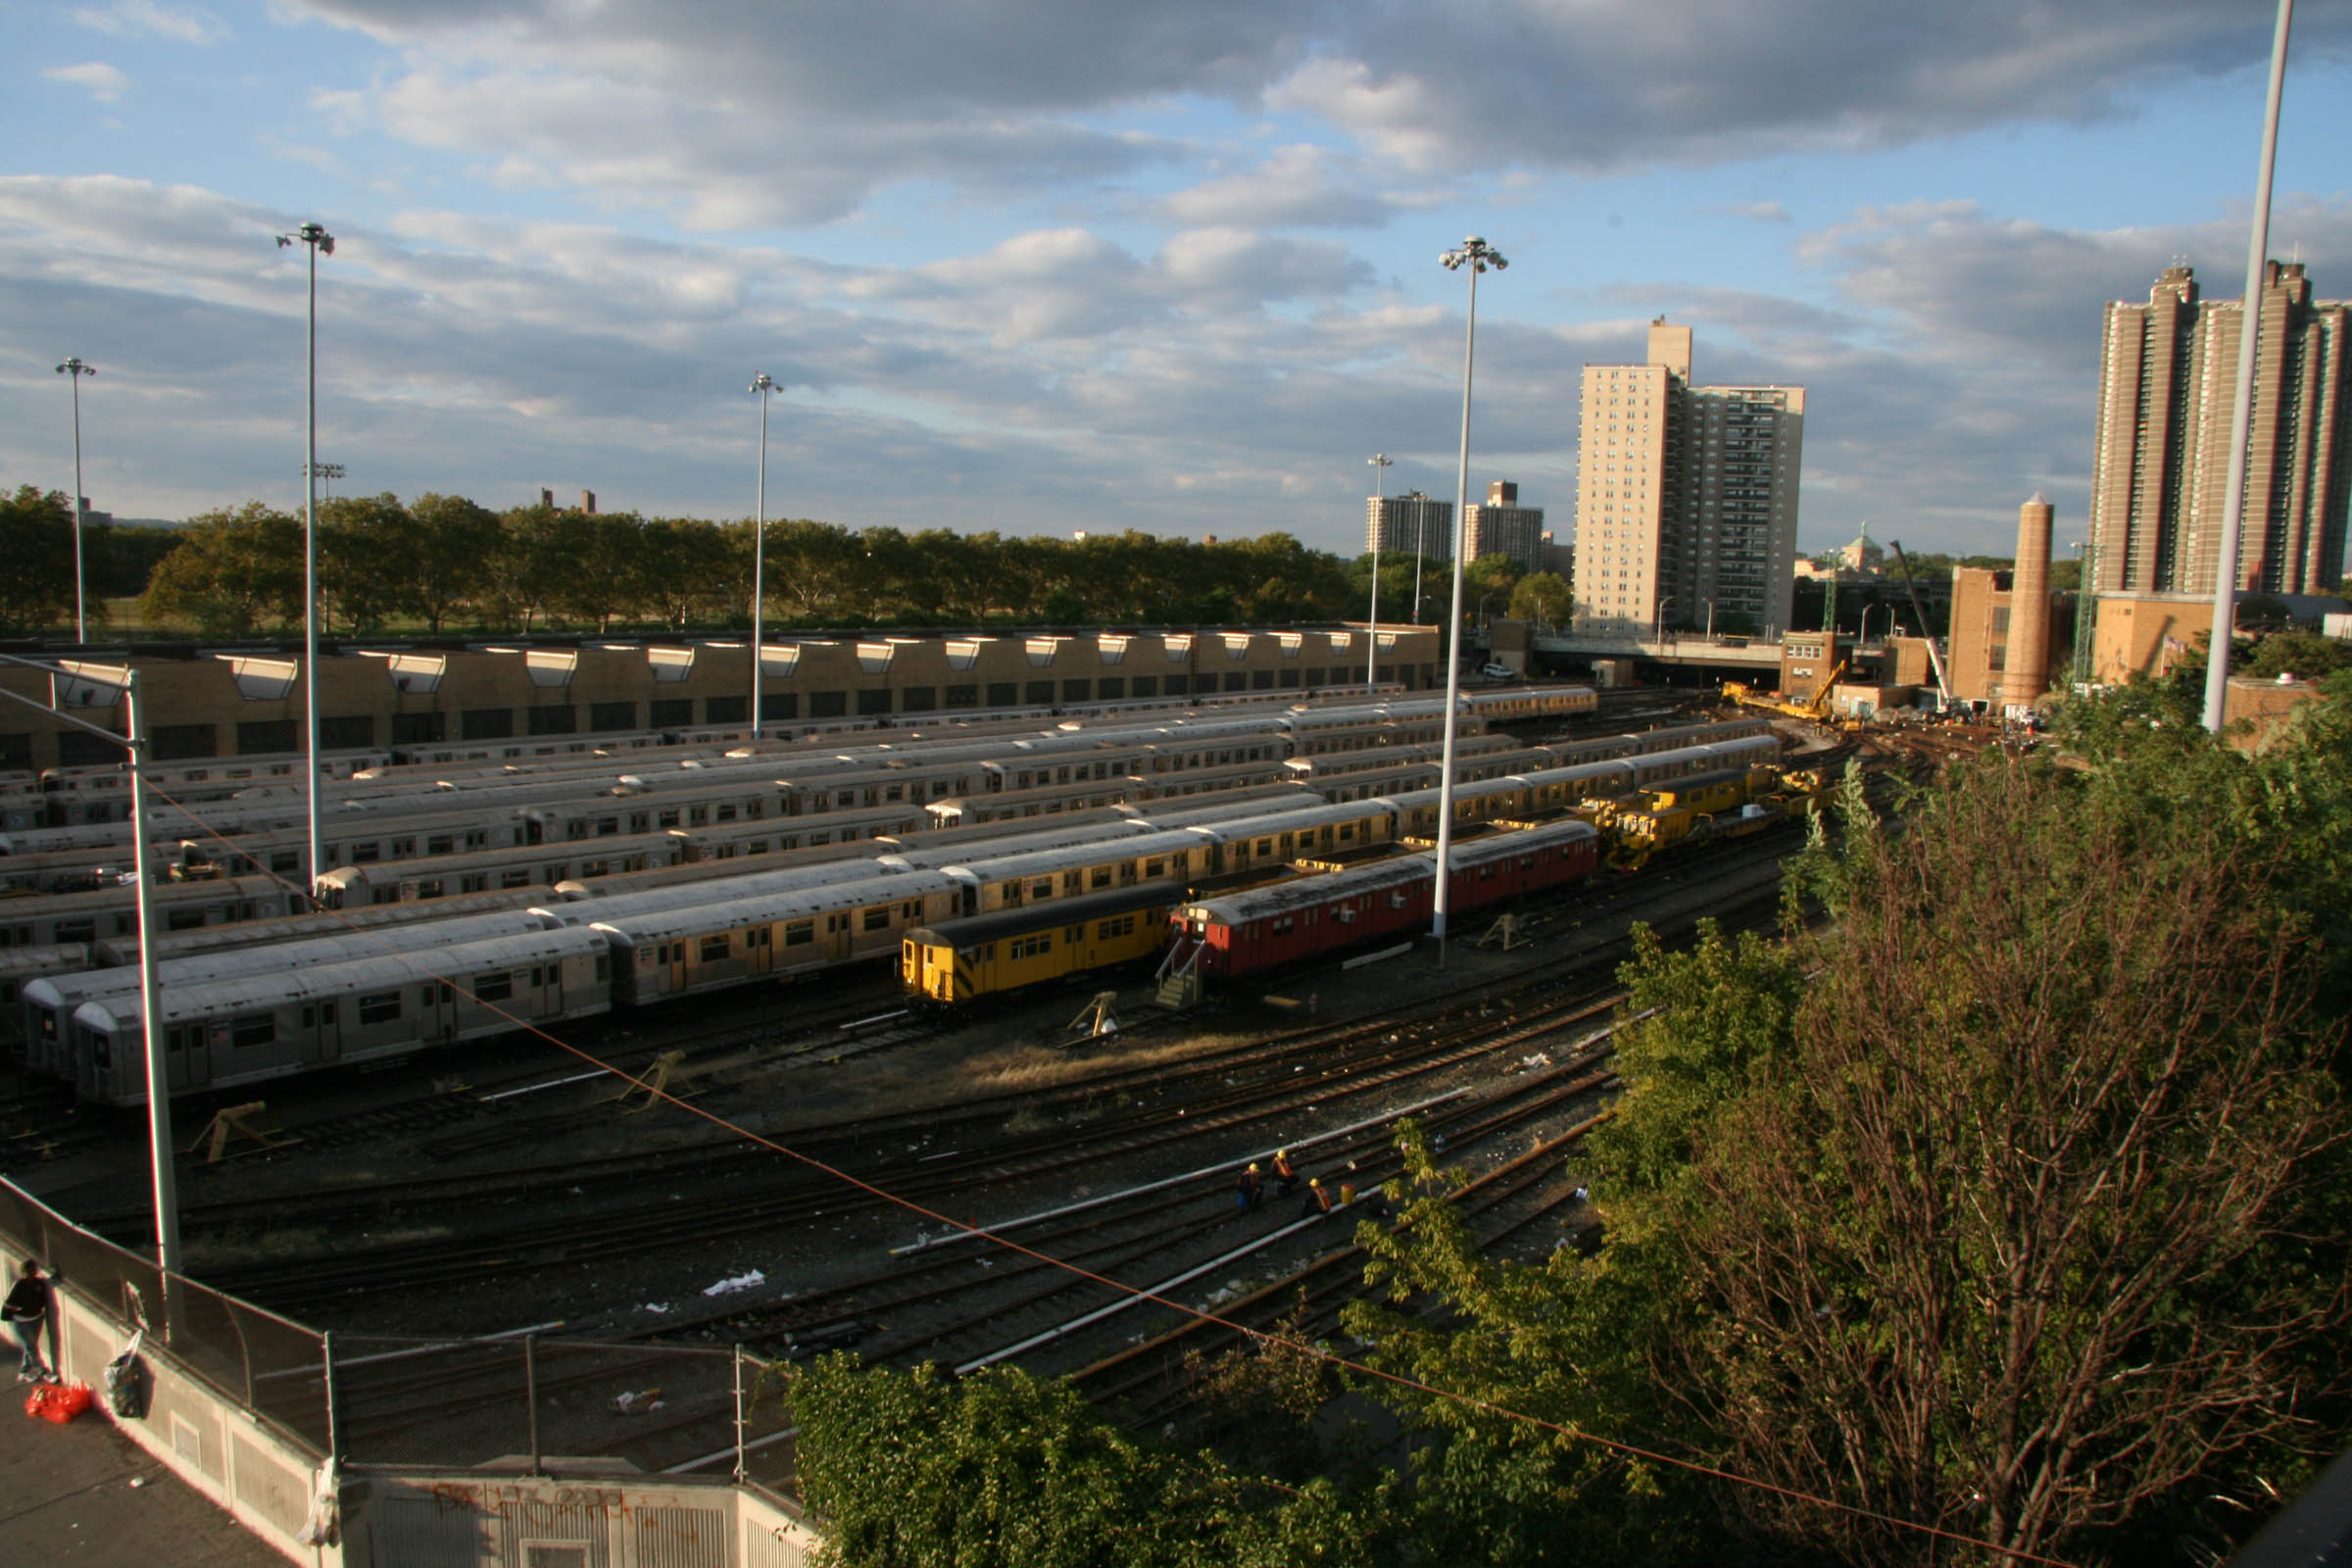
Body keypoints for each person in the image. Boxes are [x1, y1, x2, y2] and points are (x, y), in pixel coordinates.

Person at [5, 1261, 57, 1384]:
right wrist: (21, 1310)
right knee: (32, 1347)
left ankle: (24, 1370)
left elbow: (43, 1297)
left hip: (36, 1318)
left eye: (34, 1271)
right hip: (21, 1322)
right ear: (24, 1273)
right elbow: (9, 1304)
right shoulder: (19, 1285)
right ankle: (43, 1371)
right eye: (29, 1272)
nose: (33, 1274)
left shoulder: (39, 1283)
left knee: (30, 1347)